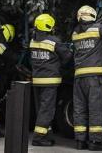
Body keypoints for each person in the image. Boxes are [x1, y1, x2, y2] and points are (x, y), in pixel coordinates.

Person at [72, 5, 102, 151]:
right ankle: (95, 142)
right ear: (92, 16)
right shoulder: (97, 29)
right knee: (95, 108)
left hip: (79, 77)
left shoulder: (75, 33)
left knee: (79, 109)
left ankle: (80, 141)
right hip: (93, 78)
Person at [30, 13, 72, 147]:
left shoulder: (33, 41)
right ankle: (38, 138)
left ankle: (46, 134)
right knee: (47, 109)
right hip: (50, 80)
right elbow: (67, 57)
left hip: (37, 80)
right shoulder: (54, 41)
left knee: (41, 109)